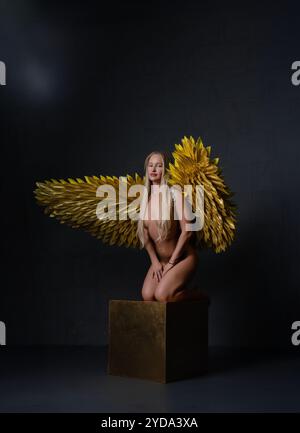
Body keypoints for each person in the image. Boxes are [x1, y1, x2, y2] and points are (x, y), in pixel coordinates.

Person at [136, 151, 206, 302]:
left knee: (162, 296)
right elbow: (146, 237)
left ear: (165, 170)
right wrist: (155, 262)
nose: (154, 169)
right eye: (150, 165)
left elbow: (188, 231)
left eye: (159, 165)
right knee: (147, 296)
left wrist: (171, 263)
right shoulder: (144, 200)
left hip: (182, 258)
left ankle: (198, 296)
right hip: (160, 260)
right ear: (147, 169)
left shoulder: (175, 194)